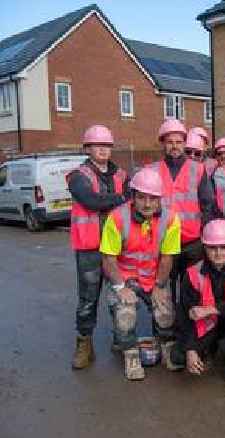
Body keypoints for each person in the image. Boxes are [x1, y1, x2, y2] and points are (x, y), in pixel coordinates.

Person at [99, 169, 180, 380]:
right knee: (125, 314)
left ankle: (166, 347)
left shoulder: (170, 219)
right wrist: (120, 288)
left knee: (165, 312)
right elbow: (108, 258)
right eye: (141, 197)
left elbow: (167, 257)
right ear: (133, 196)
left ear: (160, 198)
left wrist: (160, 286)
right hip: (125, 277)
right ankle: (130, 352)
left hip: (153, 277)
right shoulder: (116, 218)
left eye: (153, 198)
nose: (147, 204)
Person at [68, 125, 129, 369]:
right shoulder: (78, 176)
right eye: (97, 145)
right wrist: (120, 198)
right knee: (88, 299)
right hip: (90, 249)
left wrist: (122, 198)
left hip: (116, 247)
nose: (103, 149)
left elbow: (133, 196)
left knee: (120, 294)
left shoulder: (122, 175)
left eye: (106, 145)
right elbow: (90, 201)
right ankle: (84, 345)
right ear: (88, 148)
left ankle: (121, 338)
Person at [177, 220, 225, 394]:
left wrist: (211, 309)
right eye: (212, 248)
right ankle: (210, 349)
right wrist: (190, 349)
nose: (218, 253)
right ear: (204, 247)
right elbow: (185, 313)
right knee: (179, 356)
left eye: (224, 247)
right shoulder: (192, 273)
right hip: (208, 324)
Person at [150, 119, 218, 309]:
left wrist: (202, 231)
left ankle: (189, 331)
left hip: (192, 243)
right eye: (170, 142)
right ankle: (165, 333)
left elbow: (207, 204)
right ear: (163, 143)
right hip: (163, 242)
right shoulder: (153, 170)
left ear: (184, 143)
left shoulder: (198, 169)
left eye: (179, 142)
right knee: (163, 290)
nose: (174, 146)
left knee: (193, 289)